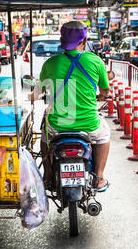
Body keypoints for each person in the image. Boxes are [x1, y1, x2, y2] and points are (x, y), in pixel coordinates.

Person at [30, 21, 111, 192]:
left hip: (59, 126)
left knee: (45, 138)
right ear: (85, 40)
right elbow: (105, 91)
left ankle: (48, 175)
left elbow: (37, 93)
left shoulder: (51, 63)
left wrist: (29, 97)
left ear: (62, 40)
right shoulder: (95, 61)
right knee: (104, 136)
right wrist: (101, 96)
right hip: (89, 125)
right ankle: (99, 177)